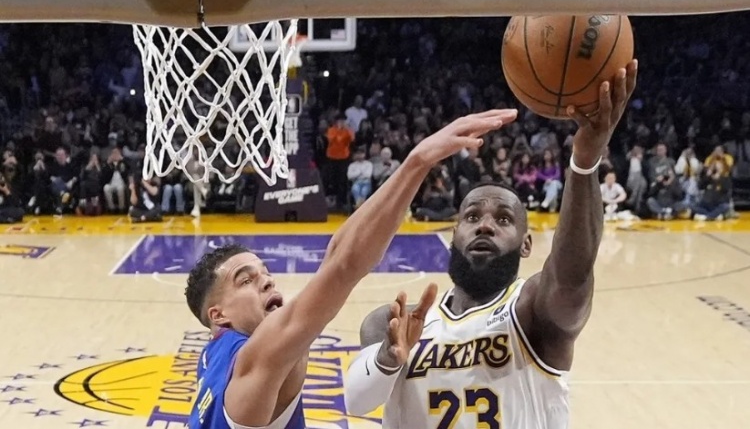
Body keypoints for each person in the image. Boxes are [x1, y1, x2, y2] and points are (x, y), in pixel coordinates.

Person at [344, 60, 638, 429]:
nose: (484, 225)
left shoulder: (534, 312)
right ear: (454, 234)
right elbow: (357, 402)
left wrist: (585, 162)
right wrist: (388, 358)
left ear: (526, 245)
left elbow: (572, 275)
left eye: (503, 219)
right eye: (471, 216)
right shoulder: (391, 323)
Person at [184, 109, 519, 429]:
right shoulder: (257, 359)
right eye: (245, 280)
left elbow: (336, 255)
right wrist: (418, 162)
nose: (267, 281)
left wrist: (414, 163)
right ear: (218, 316)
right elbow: (343, 266)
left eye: (264, 272)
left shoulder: (213, 357)